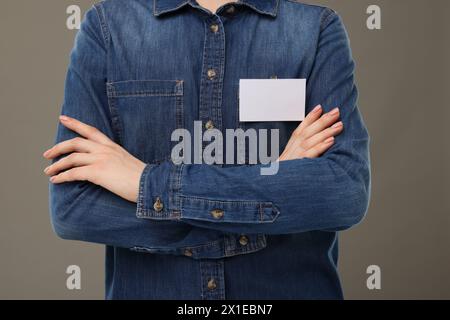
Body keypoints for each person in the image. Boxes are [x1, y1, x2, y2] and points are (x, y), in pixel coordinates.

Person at [43, 0, 370, 299]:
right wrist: (275, 183)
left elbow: (344, 192)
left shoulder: (314, 30)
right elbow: (73, 209)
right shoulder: (106, 28)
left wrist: (144, 183)